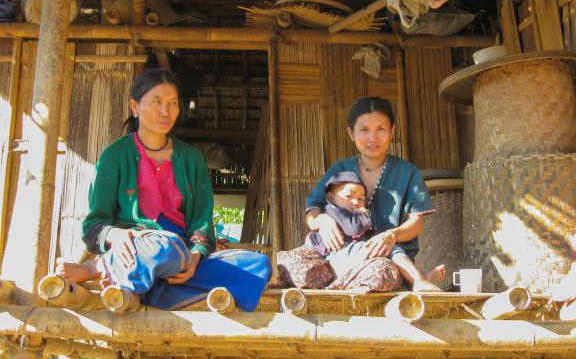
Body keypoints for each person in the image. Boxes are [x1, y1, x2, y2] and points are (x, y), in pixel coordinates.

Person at [57, 68, 272, 311]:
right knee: (164, 248)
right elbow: (93, 225)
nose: (165, 111)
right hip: (140, 247)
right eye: (156, 102)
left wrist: (195, 256)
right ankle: (96, 269)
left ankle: (150, 286)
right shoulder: (115, 156)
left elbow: (202, 220)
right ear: (135, 106)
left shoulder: (191, 158)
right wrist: (115, 235)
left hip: (178, 254)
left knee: (258, 266)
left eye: (172, 104)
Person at [305, 97, 444, 292]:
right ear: (351, 133)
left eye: (380, 129)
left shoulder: (407, 172)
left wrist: (391, 236)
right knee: (296, 261)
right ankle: (415, 279)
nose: (372, 137)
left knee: (380, 271)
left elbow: (416, 223)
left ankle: (413, 279)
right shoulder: (339, 170)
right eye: (364, 130)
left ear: (392, 131)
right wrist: (323, 221)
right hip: (342, 255)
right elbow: (312, 212)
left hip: (389, 260)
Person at [305, 170, 439, 291]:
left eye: (361, 199)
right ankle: (418, 279)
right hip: (335, 256)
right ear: (331, 197)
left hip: (346, 255)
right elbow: (353, 229)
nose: (356, 202)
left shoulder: (408, 172)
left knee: (385, 247)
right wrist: (364, 214)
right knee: (389, 249)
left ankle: (417, 277)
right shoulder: (333, 211)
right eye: (349, 196)